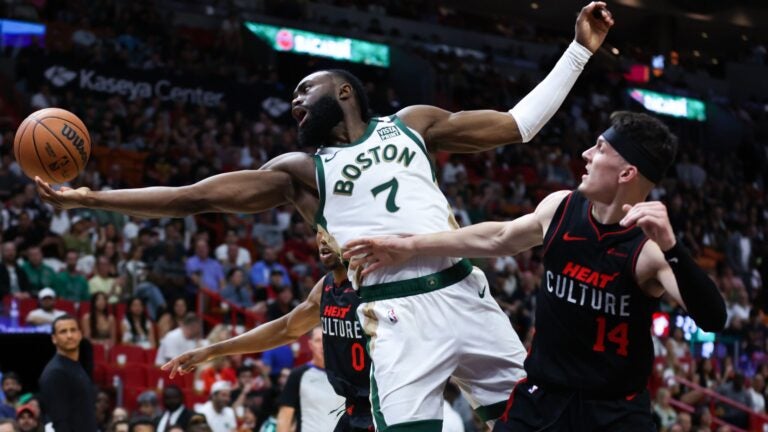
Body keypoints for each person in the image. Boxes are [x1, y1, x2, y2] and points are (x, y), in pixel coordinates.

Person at [36, 4, 613, 427]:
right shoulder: (301, 171)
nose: (294, 101)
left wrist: (580, 49)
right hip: (396, 313)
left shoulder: (413, 123)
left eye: (304, 89)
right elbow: (194, 197)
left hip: (465, 291)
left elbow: (518, 125)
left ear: (343, 92)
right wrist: (92, 199)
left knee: (539, 422)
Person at [344, 111, 727, 431]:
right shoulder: (562, 207)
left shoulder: (648, 250)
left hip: (613, 414)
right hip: (543, 400)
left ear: (626, 173)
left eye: (600, 148)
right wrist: (409, 246)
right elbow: (498, 237)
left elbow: (713, 317)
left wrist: (673, 247)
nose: (586, 154)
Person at [162, 236, 373, 431]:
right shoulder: (326, 287)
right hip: (354, 411)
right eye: (319, 231)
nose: (323, 240)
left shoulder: (372, 283)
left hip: (380, 407)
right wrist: (211, 351)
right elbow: (285, 328)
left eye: (330, 231)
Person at [276, 327, 345, 432]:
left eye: (327, 340)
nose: (323, 345)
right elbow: (285, 417)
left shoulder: (346, 375)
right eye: (318, 341)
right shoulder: (297, 375)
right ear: (310, 344)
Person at [39, 315, 97, 432]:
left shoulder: (75, 365)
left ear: (80, 335)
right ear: (54, 339)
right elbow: (59, 422)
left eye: (73, 330)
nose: (69, 336)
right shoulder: (56, 373)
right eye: (63, 332)